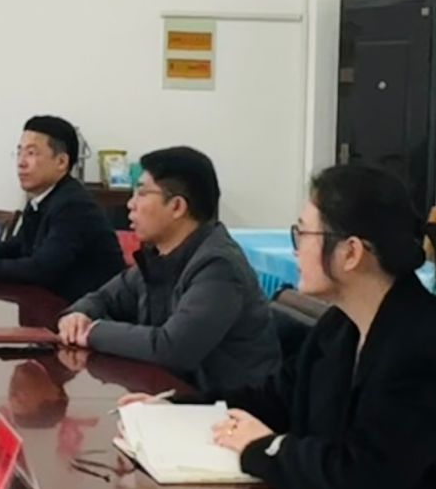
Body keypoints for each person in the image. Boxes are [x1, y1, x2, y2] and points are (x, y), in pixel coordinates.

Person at [128, 165, 436, 489]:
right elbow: (278, 396)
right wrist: (177, 408)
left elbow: (365, 475)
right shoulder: (340, 326)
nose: (295, 249)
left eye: (303, 234)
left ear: (351, 252)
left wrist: (264, 448)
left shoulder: (424, 345)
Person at [57, 147, 279, 395]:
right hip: (175, 396)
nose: (130, 204)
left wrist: (93, 332)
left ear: (176, 206)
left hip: (230, 407)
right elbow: (104, 298)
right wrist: (78, 315)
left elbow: (172, 348)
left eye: (142, 193)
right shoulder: (160, 255)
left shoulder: (218, 266)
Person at [0, 116, 123, 300]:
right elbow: (18, 246)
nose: (21, 163)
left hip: (90, 313)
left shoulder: (74, 205)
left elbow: (43, 269)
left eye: (31, 153)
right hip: (54, 305)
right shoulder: (43, 198)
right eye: (20, 152)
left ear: (61, 162)